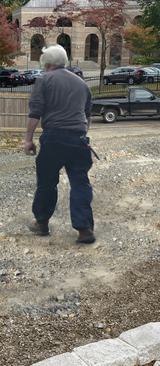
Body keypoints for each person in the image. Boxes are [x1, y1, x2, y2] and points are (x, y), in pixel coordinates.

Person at [24, 44, 96, 244]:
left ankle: (42, 223)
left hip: (53, 139)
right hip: (79, 140)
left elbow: (35, 112)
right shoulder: (82, 84)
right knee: (80, 183)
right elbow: (87, 117)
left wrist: (29, 140)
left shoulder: (44, 80)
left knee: (47, 182)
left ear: (47, 64)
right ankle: (85, 229)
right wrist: (80, 135)